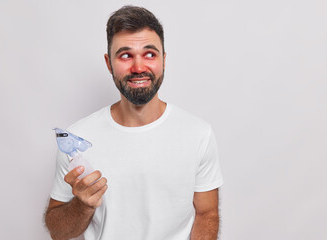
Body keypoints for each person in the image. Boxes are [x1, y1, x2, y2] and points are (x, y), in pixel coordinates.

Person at [45, 5, 223, 240]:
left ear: (164, 60)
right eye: (126, 55)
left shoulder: (198, 133)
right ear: (109, 63)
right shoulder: (78, 140)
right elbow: (58, 231)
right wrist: (83, 205)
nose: (139, 68)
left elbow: (206, 213)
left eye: (150, 54)